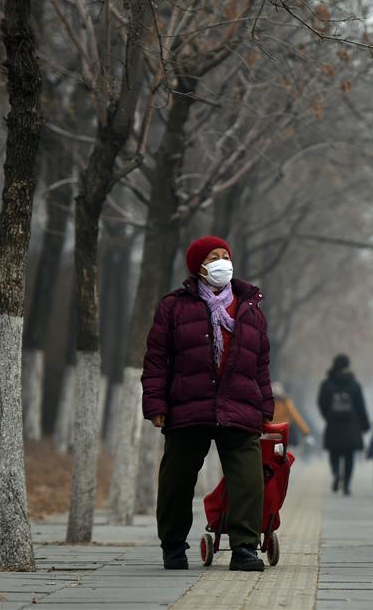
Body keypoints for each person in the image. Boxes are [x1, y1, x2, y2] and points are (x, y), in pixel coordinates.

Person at [142, 235, 273, 572]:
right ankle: (172, 545)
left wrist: (265, 409)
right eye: (214, 256)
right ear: (199, 266)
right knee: (177, 479)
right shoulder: (174, 306)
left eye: (225, 255)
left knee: (248, 479)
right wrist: (156, 404)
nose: (222, 262)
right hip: (189, 405)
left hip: (239, 406)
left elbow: (260, 363)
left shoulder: (249, 308)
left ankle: (244, 547)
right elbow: (157, 359)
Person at [318, 354, 370, 495]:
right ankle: (346, 485)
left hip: (333, 424)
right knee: (349, 456)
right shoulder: (354, 384)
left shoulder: (327, 383)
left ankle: (336, 474)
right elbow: (361, 406)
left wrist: (328, 416)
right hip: (351, 425)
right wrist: (365, 425)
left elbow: (321, 403)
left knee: (334, 453)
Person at [270, 381, 313, 447]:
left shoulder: (267, 403)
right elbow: (296, 418)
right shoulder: (285, 402)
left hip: (272, 433)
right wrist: (306, 433)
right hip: (283, 433)